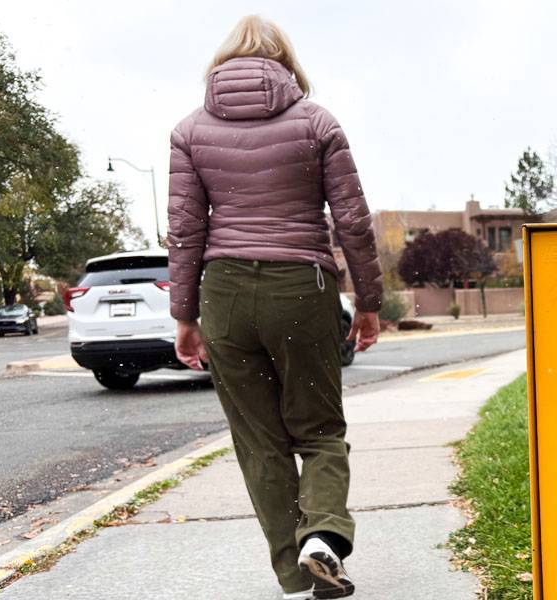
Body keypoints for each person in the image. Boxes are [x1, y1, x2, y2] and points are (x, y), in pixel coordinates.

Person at [167, 14, 382, 600]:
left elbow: (185, 232)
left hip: (225, 292)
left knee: (260, 441)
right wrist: (368, 301)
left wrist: (185, 317)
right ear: (285, 62)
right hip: (301, 287)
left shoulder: (189, 131)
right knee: (318, 430)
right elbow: (353, 223)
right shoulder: (317, 122)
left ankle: (293, 568)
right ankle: (324, 538)